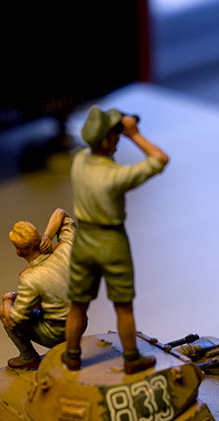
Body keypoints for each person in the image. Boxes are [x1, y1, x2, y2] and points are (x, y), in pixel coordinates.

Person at [64, 107, 169, 374]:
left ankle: (72, 355)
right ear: (107, 140)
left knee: (78, 303)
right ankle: (131, 358)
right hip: (112, 242)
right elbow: (160, 158)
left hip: (84, 240)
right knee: (123, 305)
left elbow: (92, 150)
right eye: (114, 134)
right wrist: (134, 134)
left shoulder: (78, 160)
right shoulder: (115, 176)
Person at [0, 207, 80, 369]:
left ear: (19, 252)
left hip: (58, 332)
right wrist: (48, 236)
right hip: (79, 320)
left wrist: (8, 300)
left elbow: (14, 320)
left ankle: (28, 356)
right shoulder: (66, 248)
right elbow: (61, 213)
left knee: (3, 312)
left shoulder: (29, 278)